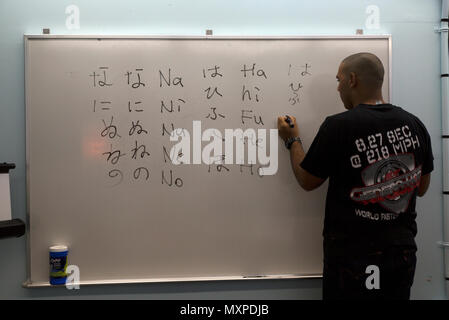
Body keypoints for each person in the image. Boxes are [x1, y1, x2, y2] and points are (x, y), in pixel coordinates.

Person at [278, 52, 433, 300]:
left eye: (338, 80)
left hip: (351, 255)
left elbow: (307, 180)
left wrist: (292, 140)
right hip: (400, 254)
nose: (337, 88)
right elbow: (422, 187)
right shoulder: (415, 124)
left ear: (352, 79)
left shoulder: (338, 125)